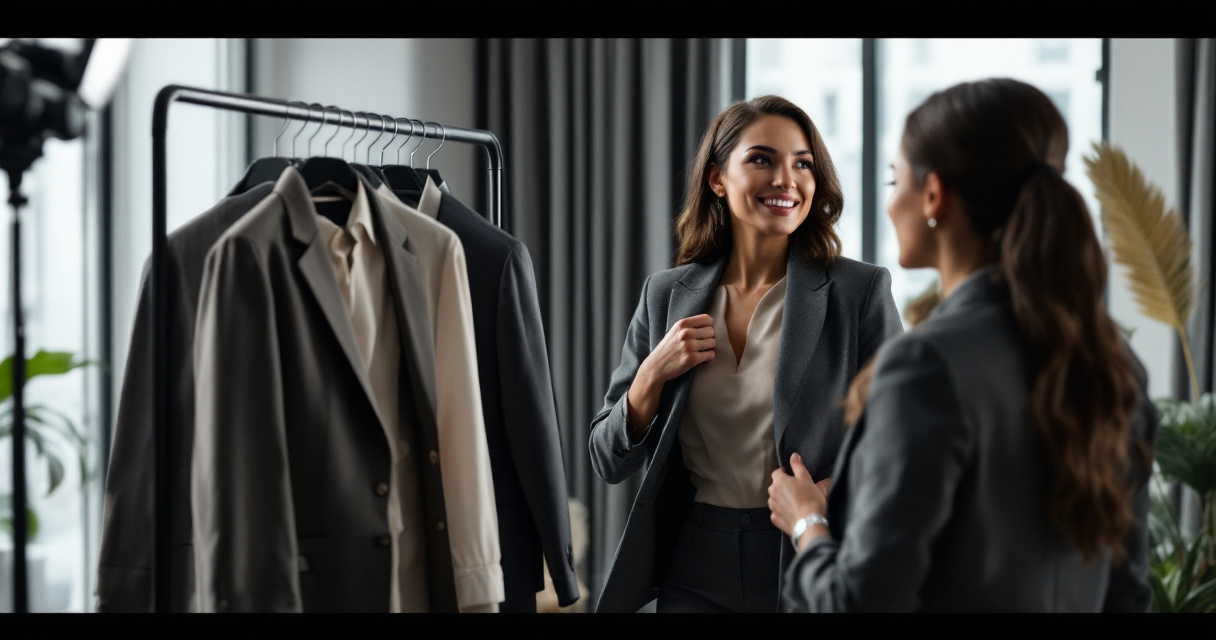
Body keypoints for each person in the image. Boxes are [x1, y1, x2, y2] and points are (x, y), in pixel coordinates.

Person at [767, 77, 1158, 612]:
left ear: (933, 195)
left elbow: (859, 603)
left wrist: (807, 521)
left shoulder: (926, 365)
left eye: (892, 179)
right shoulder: (1113, 362)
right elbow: (1128, 591)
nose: (889, 201)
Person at [588, 94, 903, 613]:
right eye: (762, 159)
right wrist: (649, 376)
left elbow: (899, 436)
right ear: (717, 179)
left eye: (802, 164)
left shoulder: (859, 292)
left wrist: (830, 501)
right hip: (692, 563)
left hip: (803, 556)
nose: (786, 179)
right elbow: (607, 458)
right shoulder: (666, 295)